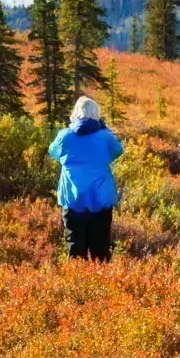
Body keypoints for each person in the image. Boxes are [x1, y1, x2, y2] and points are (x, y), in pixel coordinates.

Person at [49, 95, 125, 261]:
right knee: (101, 250)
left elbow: (52, 152)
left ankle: (78, 284)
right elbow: (117, 150)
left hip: (72, 201)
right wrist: (105, 130)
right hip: (101, 200)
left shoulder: (64, 136)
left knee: (75, 249)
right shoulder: (105, 137)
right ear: (96, 114)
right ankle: (102, 283)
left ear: (76, 113)